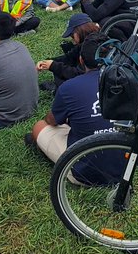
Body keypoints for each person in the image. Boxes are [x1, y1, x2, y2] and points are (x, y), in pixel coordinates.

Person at [29, 36, 117, 175]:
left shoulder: (70, 87)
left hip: (85, 171)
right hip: (125, 165)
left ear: (81, 60)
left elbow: (51, 121)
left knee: (39, 126)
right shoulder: (126, 81)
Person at [36, 14, 101, 91]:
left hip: (94, 83)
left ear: (79, 31)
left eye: (72, 35)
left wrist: (53, 66)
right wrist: (46, 62)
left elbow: (80, 74)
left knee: (60, 75)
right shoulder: (89, 40)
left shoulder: (91, 49)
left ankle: (58, 88)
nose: (72, 39)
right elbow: (69, 57)